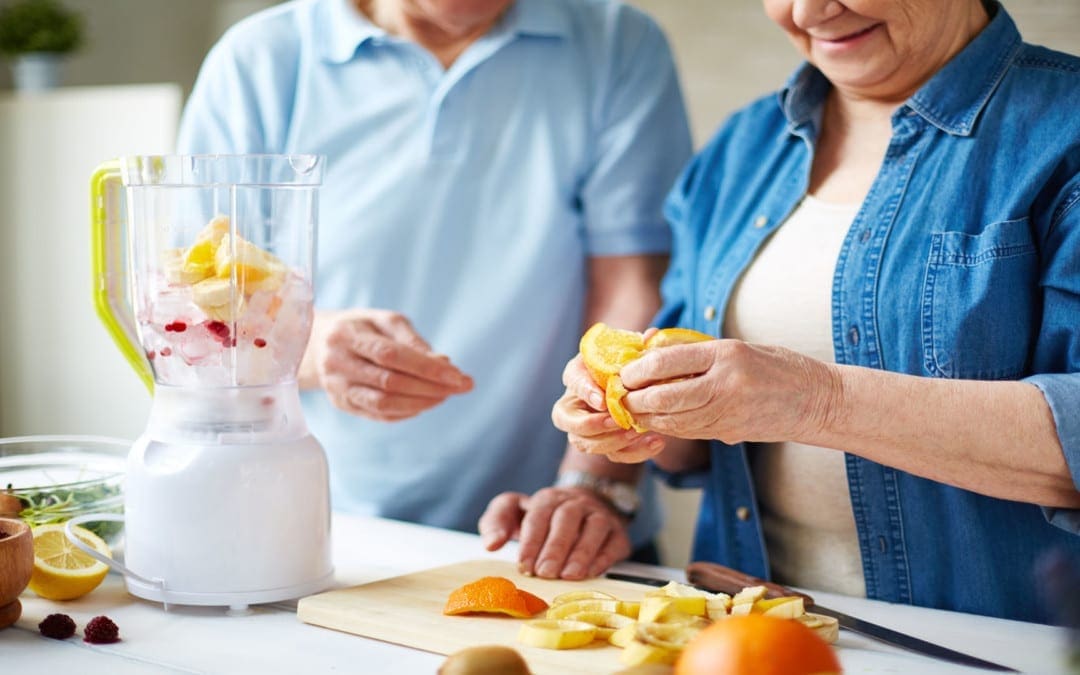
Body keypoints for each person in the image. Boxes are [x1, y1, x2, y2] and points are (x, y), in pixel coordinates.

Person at [544, 0, 1080, 623]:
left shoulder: (1064, 132)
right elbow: (693, 447)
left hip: (997, 649)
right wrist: (635, 418)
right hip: (745, 639)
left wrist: (816, 401)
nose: (809, 10)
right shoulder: (742, 147)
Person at [177, 0, 693, 578]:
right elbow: (196, 304)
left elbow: (632, 286)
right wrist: (315, 347)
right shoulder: (261, 60)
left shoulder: (618, 41)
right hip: (323, 529)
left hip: (558, 531)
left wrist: (593, 484)